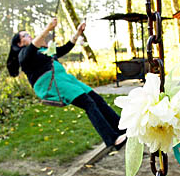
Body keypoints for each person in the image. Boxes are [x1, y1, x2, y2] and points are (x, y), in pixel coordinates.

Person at [7, 18, 127, 150]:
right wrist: (47, 29)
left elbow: (65, 48)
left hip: (65, 79)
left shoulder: (42, 51)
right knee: (88, 103)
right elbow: (31, 47)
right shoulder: (23, 55)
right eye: (24, 35)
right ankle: (112, 139)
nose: (28, 35)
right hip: (50, 83)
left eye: (28, 33)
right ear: (19, 43)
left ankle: (121, 128)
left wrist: (78, 33)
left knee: (97, 99)